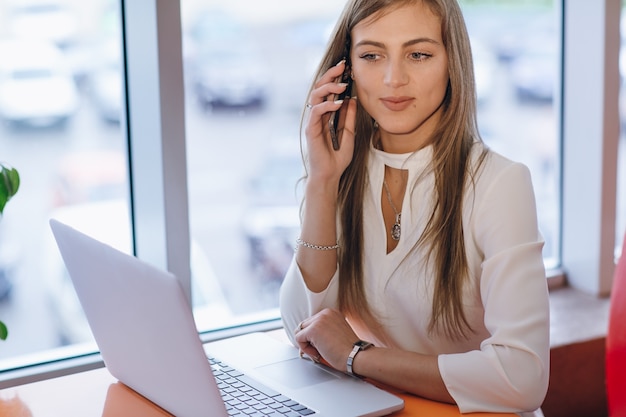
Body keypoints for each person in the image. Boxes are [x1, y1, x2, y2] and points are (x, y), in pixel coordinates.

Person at [279, 0, 550, 415]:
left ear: (451, 62)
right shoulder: (341, 169)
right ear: (346, 68)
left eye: (418, 54)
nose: (393, 79)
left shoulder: (500, 183)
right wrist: (322, 182)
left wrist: (358, 356)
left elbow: (522, 379)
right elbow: (302, 326)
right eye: (372, 55)